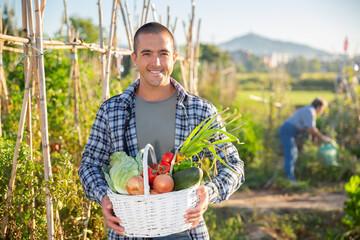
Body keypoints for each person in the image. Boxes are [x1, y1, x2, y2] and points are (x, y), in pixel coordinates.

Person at [78, 22, 244, 240]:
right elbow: (89, 165)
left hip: (186, 231)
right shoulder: (112, 110)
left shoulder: (200, 110)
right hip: (128, 231)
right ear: (134, 58)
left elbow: (234, 166)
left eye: (163, 53)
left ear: (174, 57)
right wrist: (104, 197)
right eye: (146, 53)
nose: (156, 62)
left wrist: (208, 193)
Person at [279, 97, 329, 182]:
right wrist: (322, 137)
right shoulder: (310, 111)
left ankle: (290, 177)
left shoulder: (308, 109)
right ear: (319, 107)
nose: (321, 111)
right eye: (322, 109)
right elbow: (311, 128)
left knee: (293, 153)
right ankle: (289, 179)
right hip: (287, 131)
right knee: (290, 154)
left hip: (289, 131)